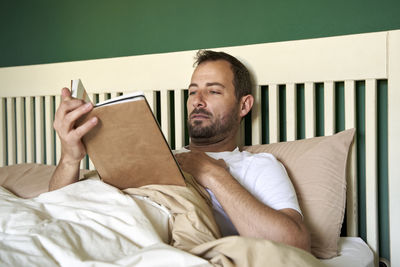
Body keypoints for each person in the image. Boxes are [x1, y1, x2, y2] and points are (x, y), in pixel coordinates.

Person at [49, 50, 311, 252]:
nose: (197, 100)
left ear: (244, 105)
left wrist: (211, 173)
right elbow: (57, 204)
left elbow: (296, 245)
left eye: (214, 91)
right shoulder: (160, 155)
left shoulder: (258, 165)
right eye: (193, 92)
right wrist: (70, 157)